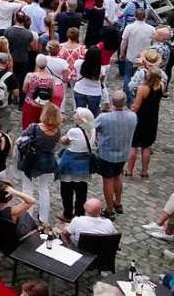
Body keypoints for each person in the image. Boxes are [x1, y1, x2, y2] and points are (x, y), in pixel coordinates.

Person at [94, 90, 137, 218]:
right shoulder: (133, 116)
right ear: (125, 102)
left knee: (108, 181)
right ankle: (118, 203)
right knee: (118, 177)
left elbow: (92, 127)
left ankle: (109, 209)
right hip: (123, 153)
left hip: (106, 154)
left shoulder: (104, 117)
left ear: (112, 102)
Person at [19, 103, 61, 222]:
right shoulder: (57, 131)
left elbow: (22, 137)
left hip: (32, 160)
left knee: (27, 188)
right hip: (48, 161)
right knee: (44, 188)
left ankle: (27, 215)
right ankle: (44, 218)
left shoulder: (34, 127)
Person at [58, 107, 96, 222]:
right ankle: (79, 214)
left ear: (81, 118)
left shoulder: (73, 131)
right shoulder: (92, 130)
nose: (74, 114)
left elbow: (64, 141)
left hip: (70, 163)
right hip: (83, 163)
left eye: (76, 114)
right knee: (81, 192)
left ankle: (67, 213)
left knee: (66, 191)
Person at [126, 68, 163, 179]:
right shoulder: (160, 86)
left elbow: (136, 107)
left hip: (140, 119)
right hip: (152, 119)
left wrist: (128, 109)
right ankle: (144, 171)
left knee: (134, 145)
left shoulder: (142, 89)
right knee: (146, 146)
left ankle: (129, 170)